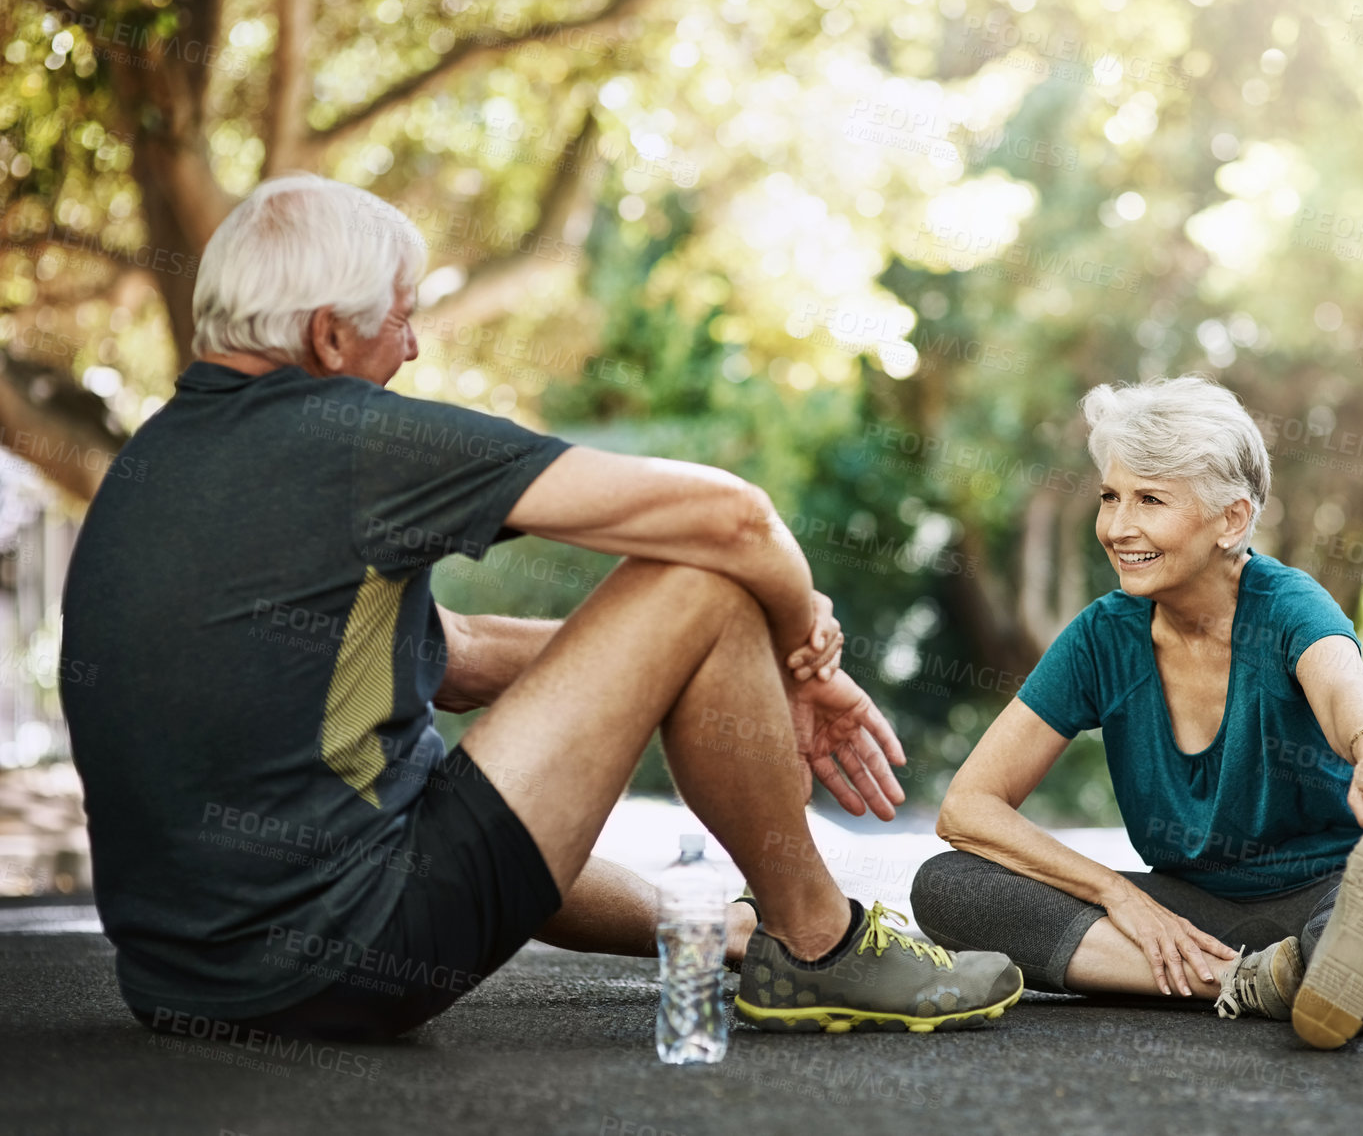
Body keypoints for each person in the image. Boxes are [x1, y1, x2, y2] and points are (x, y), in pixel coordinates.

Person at [58, 173, 1022, 1042]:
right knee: (705, 581)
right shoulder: (348, 439)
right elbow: (734, 519)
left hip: (184, 985)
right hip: (344, 959)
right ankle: (817, 943)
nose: (415, 345)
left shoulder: (153, 463)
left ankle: (732, 933)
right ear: (327, 335)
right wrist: (801, 647)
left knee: (533, 706)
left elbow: (463, 654)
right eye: (401, 319)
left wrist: (715, 673)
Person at [910, 376, 1363, 1049]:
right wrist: (1121, 896)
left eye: (1149, 499)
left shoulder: (1288, 605)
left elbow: (1338, 685)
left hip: (1343, 883)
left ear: (1231, 519)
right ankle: (1258, 982)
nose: (1118, 527)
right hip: (1203, 907)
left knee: (1360, 969)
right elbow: (968, 808)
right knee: (948, 885)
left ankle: (1337, 978)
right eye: (1109, 497)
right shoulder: (1102, 637)